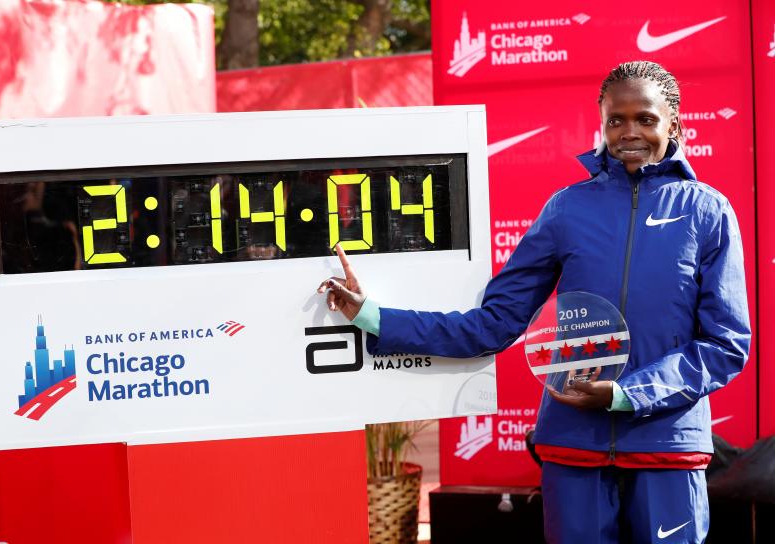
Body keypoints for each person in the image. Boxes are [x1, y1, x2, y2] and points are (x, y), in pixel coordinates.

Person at [318, 61, 750, 544]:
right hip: (573, 444)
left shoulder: (707, 211)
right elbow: (493, 323)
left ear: (673, 122)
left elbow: (725, 344)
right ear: (601, 122)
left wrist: (629, 393)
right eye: (616, 119)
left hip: (667, 443)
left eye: (645, 119)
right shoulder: (567, 208)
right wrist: (372, 315)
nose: (630, 132)